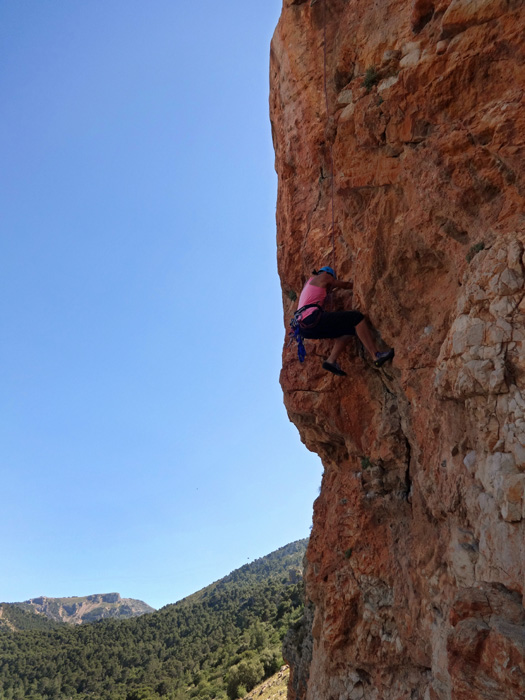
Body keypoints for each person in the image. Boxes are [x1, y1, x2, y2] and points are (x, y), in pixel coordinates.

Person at [294, 266, 394, 376]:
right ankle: (376, 355)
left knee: (349, 330)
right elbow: (345, 285)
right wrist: (358, 285)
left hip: (304, 329)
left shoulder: (308, 284)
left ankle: (330, 361)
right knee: (356, 318)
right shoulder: (324, 276)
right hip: (311, 319)